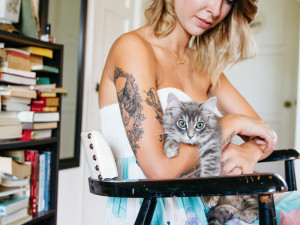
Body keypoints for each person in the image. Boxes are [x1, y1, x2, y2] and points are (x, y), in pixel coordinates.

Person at [97, 0, 287, 224]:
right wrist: (231, 123)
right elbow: (160, 171)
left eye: (228, 1)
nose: (215, 11)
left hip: (201, 206)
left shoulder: (204, 64)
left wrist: (249, 152)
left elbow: (265, 133)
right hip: (149, 209)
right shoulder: (132, 47)